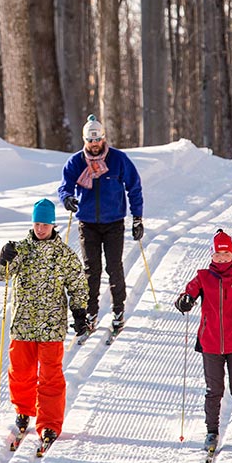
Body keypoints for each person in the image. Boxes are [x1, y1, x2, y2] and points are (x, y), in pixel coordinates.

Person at [0, 198, 89, 450]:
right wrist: (3, 259)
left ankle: (49, 423)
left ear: (53, 225)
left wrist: (79, 311)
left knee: (50, 377)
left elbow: (78, 283)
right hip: (23, 324)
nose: (40, 229)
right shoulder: (20, 249)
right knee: (21, 373)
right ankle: (23, 411)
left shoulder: (63, 254)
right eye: (37, 223)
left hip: (52, 327)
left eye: (45, 224)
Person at [175, 229, 232, 457]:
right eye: (218, 254)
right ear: (212, 256)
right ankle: (211, 432)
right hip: (211, 343)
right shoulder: (203, 278)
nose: (222, 258)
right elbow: (188, 294)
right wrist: (184, 301)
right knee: (213, 391)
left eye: (226, 254)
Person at [57, 114, 144, 335]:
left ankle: (118, 311)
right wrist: (67, 198)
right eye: (90, 141)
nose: (95, 145)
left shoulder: (118, 159)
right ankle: (91, 313)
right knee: (91, 270)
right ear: (84, 140)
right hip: (87, 223)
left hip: (114, 222)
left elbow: (134, 187)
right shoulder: (76, 162)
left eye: (98, 140)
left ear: (103, 138)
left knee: (114, 268)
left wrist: (137, 218)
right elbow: (65, 186)